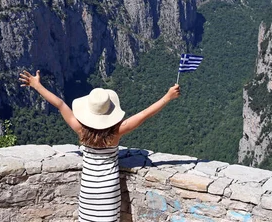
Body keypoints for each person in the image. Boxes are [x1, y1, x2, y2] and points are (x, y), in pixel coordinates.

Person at [18, 70, 181, 222]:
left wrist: (37, 85)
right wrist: (167, 97)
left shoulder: (81, 131)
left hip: (88, 191)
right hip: (109, 191)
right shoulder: (116, 132)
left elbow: (60, 104)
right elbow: (144, 114)